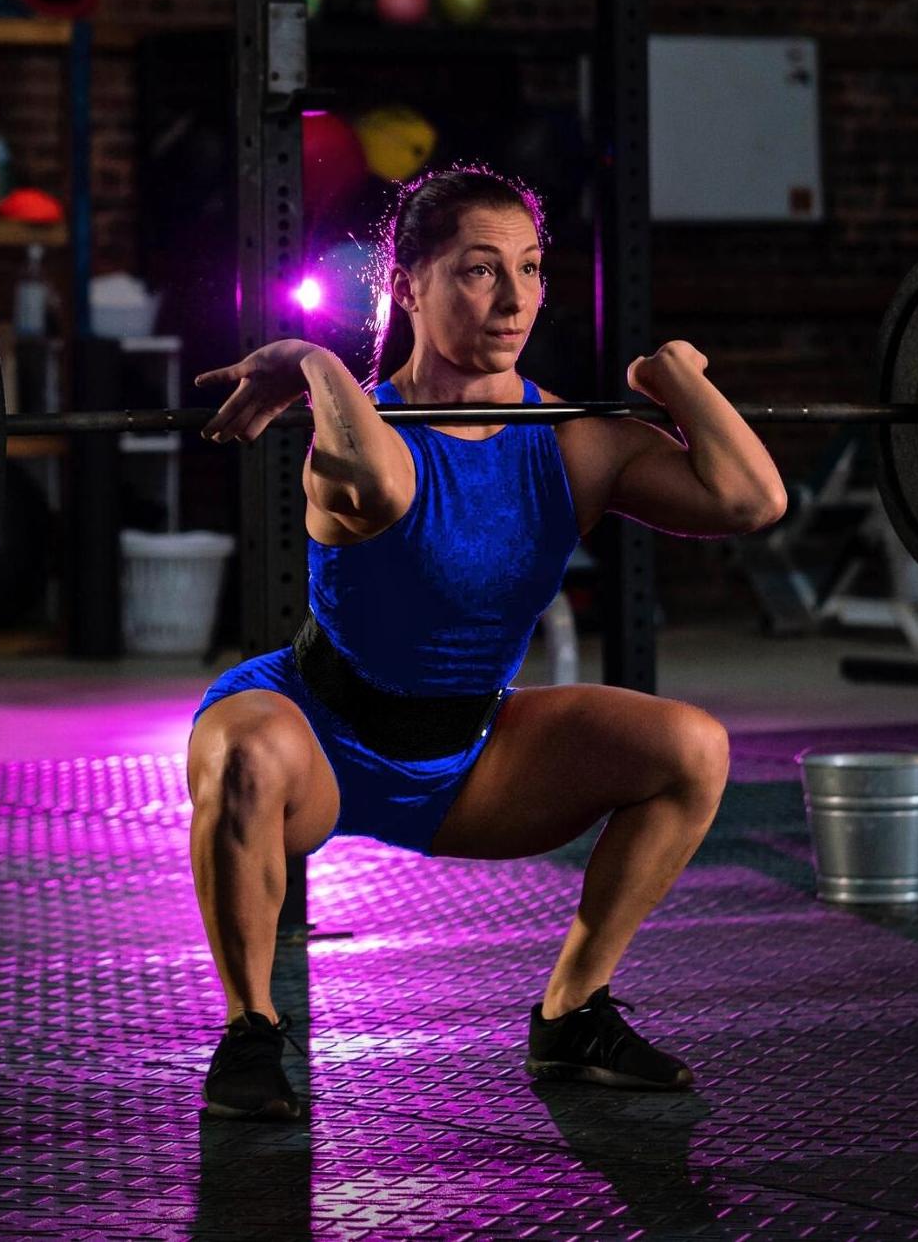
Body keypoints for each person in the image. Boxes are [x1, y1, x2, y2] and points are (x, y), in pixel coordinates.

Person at [187, 166, 788, 1120]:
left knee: (691, 748)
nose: (513, 299)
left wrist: (673, 379)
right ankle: (251, 1033)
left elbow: (751, 500)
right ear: (407, 284)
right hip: (321, 742)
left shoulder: (575, 439)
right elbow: (381, 491)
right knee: (246, 751)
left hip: (471, 759)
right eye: (477, 270)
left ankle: (572, 1014)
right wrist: (313, 359)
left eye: (531, 267)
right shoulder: (364, 430)